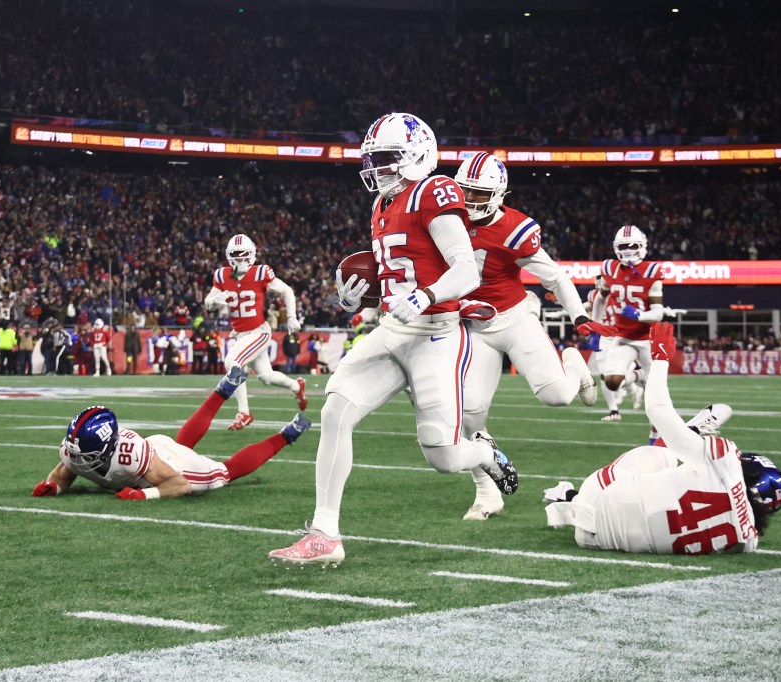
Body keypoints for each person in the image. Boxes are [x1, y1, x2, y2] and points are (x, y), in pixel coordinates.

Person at [269, 112, 518, 568]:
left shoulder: (433, 190)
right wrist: (357, 302)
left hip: (437, 335)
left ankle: (484, 451)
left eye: (385, 158)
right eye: (373, 159)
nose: (376, 167)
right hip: (392, 330)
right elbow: (396, 282)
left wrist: (426, 296)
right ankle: (325, 533)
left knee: (442, 456)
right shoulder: (382, 204)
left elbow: (466, 269)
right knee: (336, 408)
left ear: (417, 155)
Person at [543, 322, 781, 554]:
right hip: (594, 541)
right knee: (671, 481)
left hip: (595, 495)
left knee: (664, 457)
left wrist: (660, 359)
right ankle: (688, 437)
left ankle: (690, 432)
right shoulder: (747, 542)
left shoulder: (727, 460)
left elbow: (657, 410)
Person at [452, 153, 596, 521]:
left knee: (557, 396)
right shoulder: (445, 219)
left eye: (479, 194)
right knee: (469, 414)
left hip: (514, 318)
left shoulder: (515, 230)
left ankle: (574, 365)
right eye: (465, 190)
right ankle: (486, 493)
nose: (469, 201)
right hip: (474, 328)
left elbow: (555, 277)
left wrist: (579, 315)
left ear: (499, 194)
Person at [31, 367, 312, 500]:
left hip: (172, 466)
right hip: (156, 449)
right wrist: (53, 486)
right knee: (181, 444)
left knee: (224, 473)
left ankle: (287, 434)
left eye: (86, 454)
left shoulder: (130, 456)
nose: (78, 459)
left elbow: (179, 485)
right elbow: (65, 471)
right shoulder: (75, 449)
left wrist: (145, 496)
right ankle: (223, 391)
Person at [203, 234, 308, 430]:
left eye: (244, 255)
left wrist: (292, 317)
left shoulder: (260, 273)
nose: (241, 260)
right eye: (237, 255)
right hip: (240, 334)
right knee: (266, 376)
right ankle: (296, 386)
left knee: (232, 362)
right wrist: (214, 301)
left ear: (252, 255)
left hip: (258, 332)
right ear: (229, 256)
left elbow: (287, 291)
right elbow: (208, 302)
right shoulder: (222, 275)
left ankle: (244, 413)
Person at [587, 226, 681, 435]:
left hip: (648, 337)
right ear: (615, 248)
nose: (629, 249)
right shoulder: (610, 269)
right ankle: (640, 375)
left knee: (656, 397)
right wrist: (595, 327)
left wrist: (639, 315)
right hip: (623, 335)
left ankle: (654, 438)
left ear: (642, 246)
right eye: (624, 246)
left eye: (633, 245)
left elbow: (657, 312)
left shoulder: (651, 271)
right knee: (611, 381)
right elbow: (601, 298)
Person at [586, 275, 627, 418]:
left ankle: (631, 382)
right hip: (604, 337)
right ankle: (614, 411)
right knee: (604, 375)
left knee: (620, 372)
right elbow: (586, 307)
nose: (600, 282)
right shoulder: (594, 295)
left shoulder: (620, 293)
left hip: (619, 336)